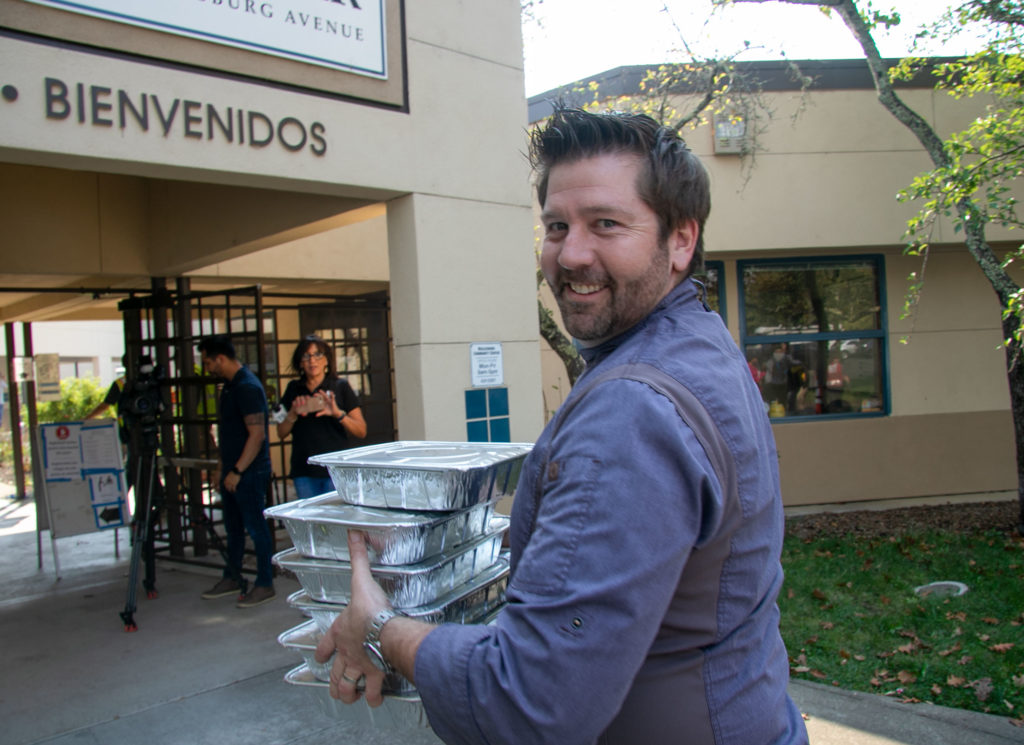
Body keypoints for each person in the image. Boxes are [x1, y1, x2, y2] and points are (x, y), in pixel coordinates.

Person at [314, 108, 808, 744]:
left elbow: (529, 702)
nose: (571, 254)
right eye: (555, 226)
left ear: (681, 241)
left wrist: (379, 628)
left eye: (606, 224)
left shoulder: (630, 410)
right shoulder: (701, 344)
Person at [197, 335, 275, 609]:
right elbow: (229, 434)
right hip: (233, 470)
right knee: (233, 528)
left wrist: (238, 471)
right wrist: (222, 468)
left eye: (208, 362)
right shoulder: (230, 387)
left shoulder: (247, 387)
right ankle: (232, 575)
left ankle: (265, 582)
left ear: (220, 358)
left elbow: (257, 435)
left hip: (249, 472)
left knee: (255, 527)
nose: (207, 368)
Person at [277, 335, 367, 499]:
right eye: (306, 356)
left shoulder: (340, 386)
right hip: (304, 469)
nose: (312, 361)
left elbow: (361, 430)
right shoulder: (293, 389)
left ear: (327, 360)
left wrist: (337, 413)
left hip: (335, 469)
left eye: (318, 354)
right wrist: (293, 413)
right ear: (300, 362)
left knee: (337, 514)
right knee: (310, 514)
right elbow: (281, 432)